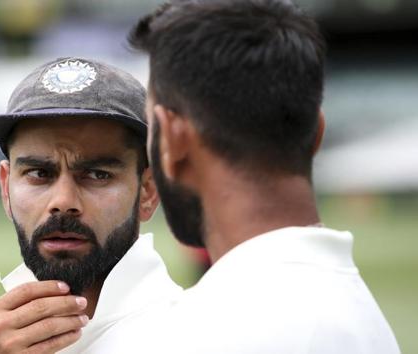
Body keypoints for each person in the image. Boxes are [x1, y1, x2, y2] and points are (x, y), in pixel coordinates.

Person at [106, 0, 400, 353]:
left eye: (151, 129)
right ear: (316, 134)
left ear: (172, 138)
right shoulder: (353, 309)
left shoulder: (207, 334)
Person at [0, 57, 181, 354]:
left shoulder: (198, 336)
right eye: (38, 174)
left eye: (98, 175)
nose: (63, 202)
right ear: (6, 188)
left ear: (147, 192)